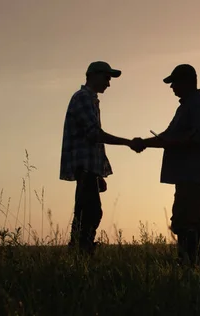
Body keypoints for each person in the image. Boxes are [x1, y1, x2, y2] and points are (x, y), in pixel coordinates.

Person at [132, 64, 200, 265]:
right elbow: (168, 136)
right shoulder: (187, 106)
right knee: (185, 220)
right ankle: (192, 262)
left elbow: (199, 137)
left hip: (194, 175)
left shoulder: (198, 105)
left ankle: (194, 263)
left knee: (189, 221)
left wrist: (166, 143)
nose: (172, 87)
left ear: (187, 82)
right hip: (188, 175)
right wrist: (145, 142)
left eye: (174, 83)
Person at [60, 61, 143, 255]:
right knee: (90, 212)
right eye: (106, 77)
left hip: (89, 168)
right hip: (85, 167)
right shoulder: (83, 98)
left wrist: (99, 174)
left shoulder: (90, 100)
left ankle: (80, 251)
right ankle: (82, 251)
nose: (109, 83)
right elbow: (94, 135)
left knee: (86, 212)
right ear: (93, 75)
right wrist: (128, 142)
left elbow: (92, 139)